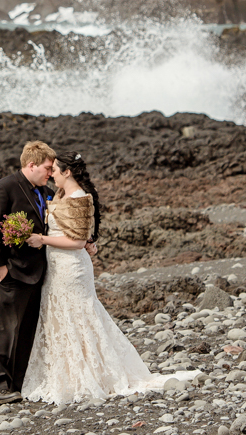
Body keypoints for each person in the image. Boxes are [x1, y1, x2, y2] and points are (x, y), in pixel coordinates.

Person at [20, 152, 188, 404]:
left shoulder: (78, 197)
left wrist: (42, 239)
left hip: (71, 268)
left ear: (67, 172)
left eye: (54, 169)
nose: (51, 174)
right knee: (59, 315)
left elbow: (76, 241)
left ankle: (91, 374)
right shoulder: (60, 194)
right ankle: (67, 374)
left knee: (79, 315)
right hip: (55, 266)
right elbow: (75, 230)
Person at [0, 140, 57, 403]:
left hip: (36, 272)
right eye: (47, 168)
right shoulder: (4, 188)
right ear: (31, 165)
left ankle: (17, 384)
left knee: (26, 331)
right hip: (10, 271)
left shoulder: (45, 192)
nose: (50, 173)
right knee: (5, 329)